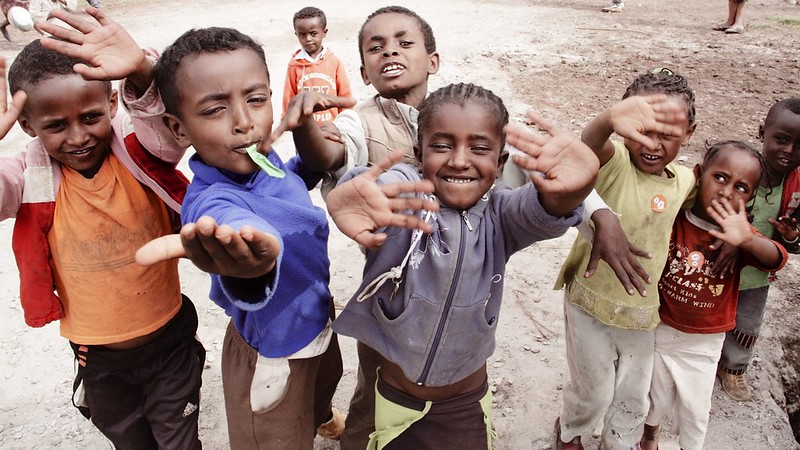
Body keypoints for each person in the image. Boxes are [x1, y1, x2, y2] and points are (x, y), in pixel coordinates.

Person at [326, 82, 598, 450]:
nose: (458, 159)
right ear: (419, 154)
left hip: (464, 406)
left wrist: (570, 189)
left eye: (479, 148)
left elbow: (545, 209)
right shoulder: (408, 197)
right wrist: (357, 190)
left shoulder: (503, 217)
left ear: (500, 163)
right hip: (395, 399)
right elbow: (386, 186)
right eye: (441, 145)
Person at [1, 35, 206, 449]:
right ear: (27, 125)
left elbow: (166, 125)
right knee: (131, 442)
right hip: (96, 354)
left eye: (91, 117)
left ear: (113, 103)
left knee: (180, 442)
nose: (78, 137)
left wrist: (143, 74)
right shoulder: (28, 174)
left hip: (170, 341)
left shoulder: (138, 147)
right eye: (56, 126)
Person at [279, 6, 440, 448]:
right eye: (376, 46)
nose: (390, 50)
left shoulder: (460, 111)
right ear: (365, 72)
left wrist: (598, 211)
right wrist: (306, 127)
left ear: (433, 61)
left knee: (440, 397)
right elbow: (330, 154)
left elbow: (523, 169)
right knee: (374, 392)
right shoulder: (361, 119)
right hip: (388, 297)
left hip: (454, 293)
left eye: (405, 42)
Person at [553, 68, 698, 450]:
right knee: (594, 389)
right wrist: (606, 121)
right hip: (589, 300)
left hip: (642, 311)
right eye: (642, 130)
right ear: (624, 127)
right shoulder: (615, 161)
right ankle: (571, 431)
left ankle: (620, 443)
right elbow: (587, 147)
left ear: (689, 133)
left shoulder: (685, 181)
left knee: (634, 395)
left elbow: (710, 203)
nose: (652, 144)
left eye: (668, 134)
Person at [639, 141, 788, 450]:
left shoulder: (740, 238)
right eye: (720, 177)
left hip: (704, 345)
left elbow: (777, 257)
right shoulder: (676, 219)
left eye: (742, 188)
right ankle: (649, 437)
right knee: (654, 395)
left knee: (695, 410)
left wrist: (746, 239)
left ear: (749, 202)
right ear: (699, 173)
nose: (726, 191)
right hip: (661, 328)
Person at [717, 98, 800, 401]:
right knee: (710, 311)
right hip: (721, 264)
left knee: (748, 323)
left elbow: (795, 243)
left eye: (799, 145)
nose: (789, 151)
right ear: (762, 131)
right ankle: (705, 358)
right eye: (781, 139)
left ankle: (733, 368)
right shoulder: (743, 171)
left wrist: (791, 236)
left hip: (758, 272)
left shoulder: (797, 185)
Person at [282, 6, 352, 124]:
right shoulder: (294, 65)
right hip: (305, 128)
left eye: (313, 33)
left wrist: (347, 120)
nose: (308, 39)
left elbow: (344, 94)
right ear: (296, 34)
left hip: (332, 125)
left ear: (324, 32)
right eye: (302, 35)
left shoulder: (334, 62)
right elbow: (289, 96)